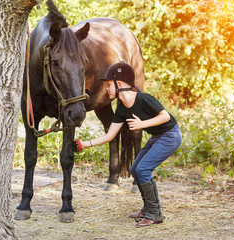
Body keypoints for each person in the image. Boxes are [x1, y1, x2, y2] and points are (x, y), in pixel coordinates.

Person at [73, 61, 182, 227]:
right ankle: (148, 209)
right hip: (157, 137)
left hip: (170, 135)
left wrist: (142, 125)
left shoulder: (143, 98)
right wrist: (84, 144)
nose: (106, 89)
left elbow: (166, 117)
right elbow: (110, 135)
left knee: (143, 169)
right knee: (135, 169)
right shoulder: (122, 108)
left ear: (119, 84)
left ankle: (155, 214)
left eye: (109, 85)